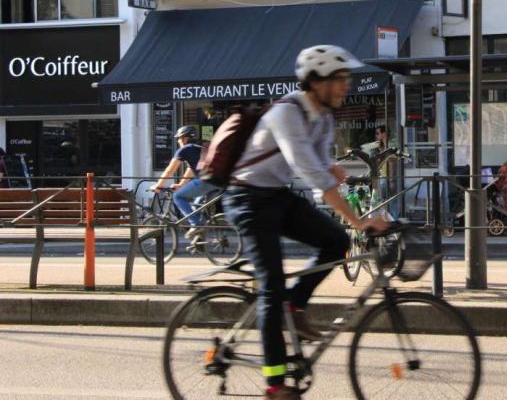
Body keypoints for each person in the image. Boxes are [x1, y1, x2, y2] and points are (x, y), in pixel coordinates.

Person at [222, 45, 388, 400]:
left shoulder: (325, 117)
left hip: (276, 195)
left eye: (347, 79)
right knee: (272, 287)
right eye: (340, 80)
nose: (347, 86)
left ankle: (295, 307)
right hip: (246, 198)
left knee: (334, 241)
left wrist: (332, 172)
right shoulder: (287, 112)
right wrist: (358, 221)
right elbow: (309, 170)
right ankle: (275, 383)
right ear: (316, 82)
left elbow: (318, 166)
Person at [150, 126, 219, 242]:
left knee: (178, 196)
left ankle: (196, 226)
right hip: (219, 182)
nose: (178, 141)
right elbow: (192, 170)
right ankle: (199, 241)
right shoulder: (200, 147)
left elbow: (170, 170)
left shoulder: (185, 150)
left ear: (184, 138)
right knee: (194, 209)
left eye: (179, 138)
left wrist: (158, 185)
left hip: (207, 181)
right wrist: (181, 184)